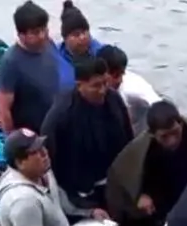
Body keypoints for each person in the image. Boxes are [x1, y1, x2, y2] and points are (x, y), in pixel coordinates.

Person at [106, 100, 187, 226]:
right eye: (164, 136)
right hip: (167, 208)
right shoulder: (141, 152)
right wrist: (141, 195)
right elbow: (120, 179)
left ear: (181, 123)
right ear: (152, 134)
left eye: (175, 132)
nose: (172, 141)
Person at [41, 56, 133, 209]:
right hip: (81, 188)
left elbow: (128, 136)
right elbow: (53, 162)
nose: (103, 90)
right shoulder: (61, 116)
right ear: (79, 85)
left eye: (105, 83)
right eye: (96, 86)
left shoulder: (114, 99)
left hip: (114, 178)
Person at [0, 1, 59, 133]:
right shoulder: (10, 63)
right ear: (21, 35)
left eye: (44, 29)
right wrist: (14, 141)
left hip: (56, 127)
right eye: (35, 33)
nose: (42, 36)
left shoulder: (50, 44)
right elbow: (3, 109)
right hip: (31, 135)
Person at [96, 44, 162, 135]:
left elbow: (161, 107)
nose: (120, 80)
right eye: (115, 76)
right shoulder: (90, 86)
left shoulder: (134, 89)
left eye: (121, 74)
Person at [56, 0, 103, 91]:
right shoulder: (54, 57)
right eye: (76, 34)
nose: (82, 37)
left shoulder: (101, 53)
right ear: (65, 38)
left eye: (84, 32)